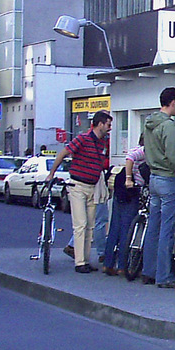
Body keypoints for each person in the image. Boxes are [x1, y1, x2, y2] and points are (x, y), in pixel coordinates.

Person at [47, 110, 112, 273]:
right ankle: (80, 262)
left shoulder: (102, 143)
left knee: (90, 225)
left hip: (92, 186)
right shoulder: (83, 139)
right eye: (108, 125)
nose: (110, 128)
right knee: (80, 224)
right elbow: (64, 152)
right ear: (100, 124)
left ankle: (85, 260)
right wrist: (51, 173)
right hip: (77, 186)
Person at [141, 87, 175, 288]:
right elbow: (174, 156)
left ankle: (148, 270)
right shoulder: (169, 126)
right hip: (168, 178)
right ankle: (164, 275)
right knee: (167, 229)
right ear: (173, 102)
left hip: (154, 178)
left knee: (153, 227)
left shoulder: (149, 123)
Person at [103, 134, 146, 275]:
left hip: (120, 191)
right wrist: (129, 179)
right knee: (126, 229)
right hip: (130, 191)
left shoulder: (138, 148)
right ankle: (122, 265)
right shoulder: (144, 151)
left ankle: (108, 263)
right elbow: (130, 158)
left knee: (115, 226)